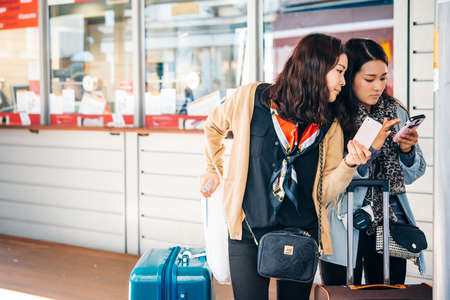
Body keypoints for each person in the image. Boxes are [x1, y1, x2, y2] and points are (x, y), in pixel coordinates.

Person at [199, 33, 372, 300]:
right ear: (315, 67)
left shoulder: (330, 125)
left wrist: (349, 163)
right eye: (339, 71)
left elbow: (324, 193)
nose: (342, 81)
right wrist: (213, 167)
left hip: (301, 234)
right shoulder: (251, 98)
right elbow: (213, 126)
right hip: (248, 230)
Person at [319, 38, 427, 285]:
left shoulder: (395, 111)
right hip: (343, 222)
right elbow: (331, 177)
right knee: (342, 292)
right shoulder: (333, 114)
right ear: (349, 77)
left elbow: (414, 173)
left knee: (389, 292)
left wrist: (406, 151)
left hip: (389, 222)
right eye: (369, 79)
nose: (378, 86)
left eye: (383, 78)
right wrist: (372, 148)